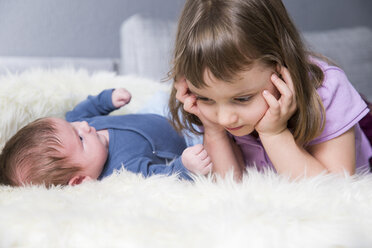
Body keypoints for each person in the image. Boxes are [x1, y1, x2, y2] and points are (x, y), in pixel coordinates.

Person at [168, 0, 372, 180]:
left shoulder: (328, 90)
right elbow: (228, 187)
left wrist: (274, 134)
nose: (225, 118)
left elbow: (334, 193)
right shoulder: (216, 105)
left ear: (281, 66)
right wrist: (213, 130)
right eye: (206, 98)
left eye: (242, 99)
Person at [0, 88, 212, 187]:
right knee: (207, 144)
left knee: (160, 96)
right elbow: (164, 177)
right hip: (185, 137)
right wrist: (185, 166)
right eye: (80, 139)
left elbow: (80, 112)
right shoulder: (123, 171)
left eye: (72, 127)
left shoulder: (82, 126)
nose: (84, 126)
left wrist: (107, 100)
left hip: (156, 114)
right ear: (81, 180)